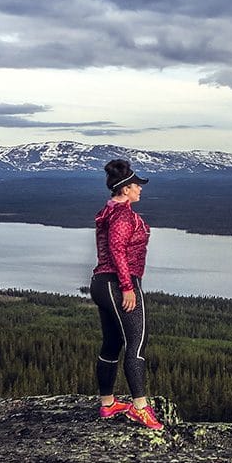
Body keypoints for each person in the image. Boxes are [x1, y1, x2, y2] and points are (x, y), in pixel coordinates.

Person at [89, 159, 163, 429]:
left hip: (102, 283)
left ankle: (108, 404)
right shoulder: (122, 215)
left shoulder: (108, 211)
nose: (140, 190)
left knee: (112, 343)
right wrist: (128, 288)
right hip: (119, 283)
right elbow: (117, 250)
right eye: (136, 186)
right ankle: (140, 408)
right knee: (137, 343)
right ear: (125, 189)